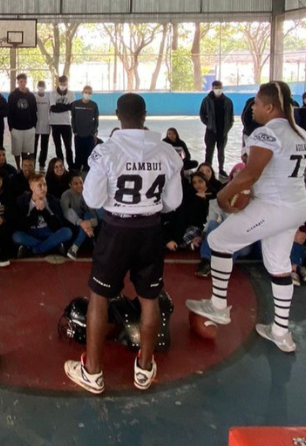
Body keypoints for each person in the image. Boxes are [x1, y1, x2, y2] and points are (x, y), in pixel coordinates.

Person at [64, 93, 183, 394]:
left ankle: (93, 371)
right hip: (151, 229)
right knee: (149, 299)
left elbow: (92, 199)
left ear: (117, 114)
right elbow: (174, 202)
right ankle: (144, 368)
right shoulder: (167, 153)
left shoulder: (106, 151)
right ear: (146, 114)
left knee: (99, 298)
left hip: (116, 229)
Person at [186, 81, 306, 354]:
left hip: (274, 205)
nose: (252, 107)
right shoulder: (301, 133)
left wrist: (223, 196)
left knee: (219, 240)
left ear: (269, 106)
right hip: (297, 205)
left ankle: (218, 305)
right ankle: (281, 331)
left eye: (256, 102)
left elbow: (249, 173)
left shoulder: (265, 134)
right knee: (279, 265)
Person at [13, 173, 72, 258]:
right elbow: (21, 226)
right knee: (16, 236)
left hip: (48, 231)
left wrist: (44, 211)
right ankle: (50, 245)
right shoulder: (22, 201)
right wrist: (35, 211)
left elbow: (58, 225)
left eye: (45, 185)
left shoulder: (52, 200)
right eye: (39, 186)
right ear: (31, 187)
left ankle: (34, 249)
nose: (43, 188)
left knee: (67, 232)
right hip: (30, 233)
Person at [164, 172, 212, 252]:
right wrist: (197, 199)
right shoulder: (189, 196)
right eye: (194, 183)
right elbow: (187, 215)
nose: (197, 185)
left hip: (200, 228)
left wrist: (203, 200)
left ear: (205, 182)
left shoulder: (212, 196)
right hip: (183, 226)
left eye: (200, 181)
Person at [60, 173, 101, 261]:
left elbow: (95, 218)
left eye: (81, 183)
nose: (79, 185)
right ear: (70, 185)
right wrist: (81, 222)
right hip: (73, 221)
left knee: (88, 215)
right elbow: (66, 212)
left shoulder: (88, 194)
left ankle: (75, 246)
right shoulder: (66, 195)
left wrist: (89, 223)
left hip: (86, 221)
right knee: (72, 211)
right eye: (75, 183)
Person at [199, 80, 234, 177]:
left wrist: (228, 127)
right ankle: (207, 170)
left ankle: (221, 169)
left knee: (221, 152)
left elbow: (231, 117)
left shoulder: (228, 102)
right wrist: (208, 124)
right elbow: (202, 114)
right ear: (212, 88)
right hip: (211, 131)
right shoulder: (206, 100)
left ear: (222, 88)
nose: (218, 90)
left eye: (219, 88)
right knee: (209, 151)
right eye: (216, 88)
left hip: (223, 132)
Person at [7, 73, 38, 168]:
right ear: (18, 82)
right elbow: (10, 112)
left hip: (29, 128)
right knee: (17, 150)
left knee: (26, 150)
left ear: (26, 82)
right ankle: (18, 168)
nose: (23, 83)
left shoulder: (31, 96)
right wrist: (11, 127)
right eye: (21, 81)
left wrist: (34, 126)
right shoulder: (12, 96)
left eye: (24, 81)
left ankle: (24, 167)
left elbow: (34, 111)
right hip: (16, 128)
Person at [71, 86, 99, 172]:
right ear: (82, 92)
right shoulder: (75, 104)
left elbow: (96, 119)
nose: (87, 94)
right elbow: (73, 118)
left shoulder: (94, 105)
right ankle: (77, 172)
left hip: (89, 135)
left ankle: (87, 172)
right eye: (86, 92)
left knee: (89, 155)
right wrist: (74, 131)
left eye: (89, 93)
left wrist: (94, 131)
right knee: (78, 155)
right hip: (78, 135)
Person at [50, 75, 75, 170]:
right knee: (58, 146)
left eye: (64, 84)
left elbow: (71, 107)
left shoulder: (71, 94)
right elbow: (53, 108)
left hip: (66, 123)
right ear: (58, 83)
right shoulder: (52, 93)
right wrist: (66, 106)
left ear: (67, 83)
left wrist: (59, 106)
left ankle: (71, 166)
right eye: (61, 84)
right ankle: (61, 165)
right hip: (55, 123)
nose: (63, 85)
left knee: (68, 146)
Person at [34, 80, 51, 172]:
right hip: (35, 127)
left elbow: (50, 111)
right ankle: (32, 163)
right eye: (39, 86)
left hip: (46, 126)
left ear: (45, 87)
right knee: (34, 147)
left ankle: (42, 165)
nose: (41, 87)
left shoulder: (48, 98)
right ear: (37, 87)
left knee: (44, 147)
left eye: (42, 86)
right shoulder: (34, 98)